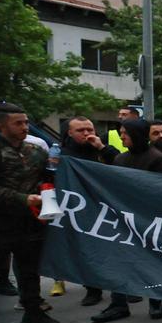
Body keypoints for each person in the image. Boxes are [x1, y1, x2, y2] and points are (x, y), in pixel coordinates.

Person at [92, 118, 162, 323]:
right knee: (119, 261)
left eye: (125, 132)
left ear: (136, 134)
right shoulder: (120, 159)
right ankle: (118, 304)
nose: (121, 136)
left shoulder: (158, 159)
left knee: (151, 261)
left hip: (150, 220)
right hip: (124, 219)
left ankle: (155, 302)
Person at [0, 103, 58, 323]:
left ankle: (33, 311)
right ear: (0, 126)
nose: (24, 127)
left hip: (30, 222)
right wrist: (24, 198)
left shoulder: (36, 151)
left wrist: (47, 189)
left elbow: (46, 177)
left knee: (29, 269)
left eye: (26, 122)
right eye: (18, 123)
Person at [61, 116, 120, 306]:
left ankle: (120, 290)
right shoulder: (63, 154)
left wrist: (101, 147)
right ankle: (92, 290)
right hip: (80, 209)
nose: (87, 134)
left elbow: (121, 163)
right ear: (70, 133)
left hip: (105, 206)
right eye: (81, 130)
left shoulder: (100, 148)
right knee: (86, 251)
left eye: (90, 129)